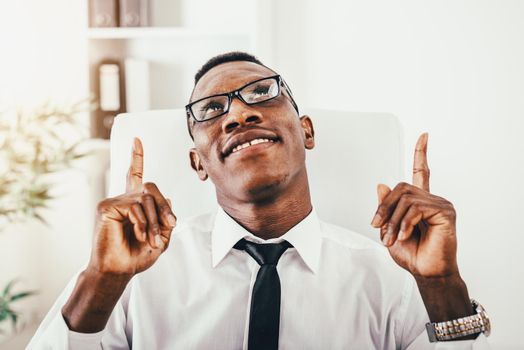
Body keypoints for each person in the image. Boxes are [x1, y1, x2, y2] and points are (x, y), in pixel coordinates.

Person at [28, 52, 491, 349]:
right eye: (210, 110)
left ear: (305, 130)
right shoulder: (124, 280)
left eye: (261, 93)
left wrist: (443, 284)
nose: (239, 113)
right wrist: (100, 281)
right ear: (198, 164)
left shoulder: (396, 281)